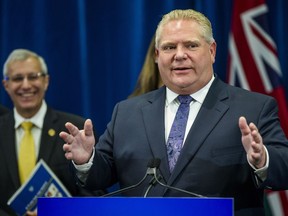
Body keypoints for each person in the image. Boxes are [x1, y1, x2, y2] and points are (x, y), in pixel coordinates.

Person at [60, 9, 288, 215]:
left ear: (212, 51)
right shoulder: (127, 112)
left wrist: (262, 160)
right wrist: (86, 161)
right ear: (158, 55)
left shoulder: (253, 108)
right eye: (169, 47)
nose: (179, 55)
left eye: (191, 45)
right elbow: (101, 175)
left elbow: (284, 168)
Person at [0, 49, 103, 215]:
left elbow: (97, 193)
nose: (26, 85)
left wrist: (56, 212)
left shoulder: (75, 130)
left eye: (33, 77)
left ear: (46, 81)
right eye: (18, 78)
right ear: (6, 85)